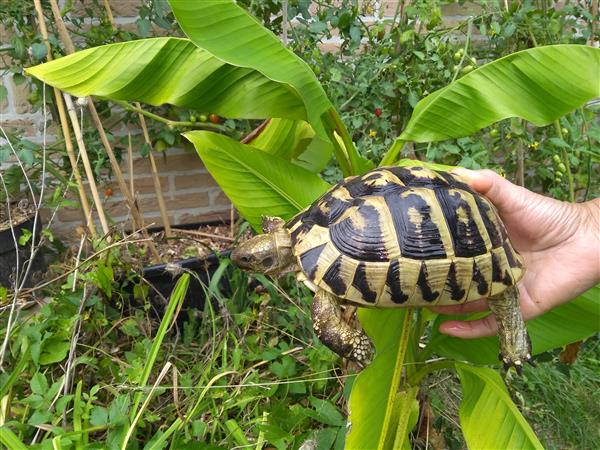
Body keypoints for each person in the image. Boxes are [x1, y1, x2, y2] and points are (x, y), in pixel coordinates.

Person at [433, 167, 600, 339]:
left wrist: (590, 224)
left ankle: (515, 347)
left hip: (474, 248)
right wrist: (588, 224)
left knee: (506, 297)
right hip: (479, 249)